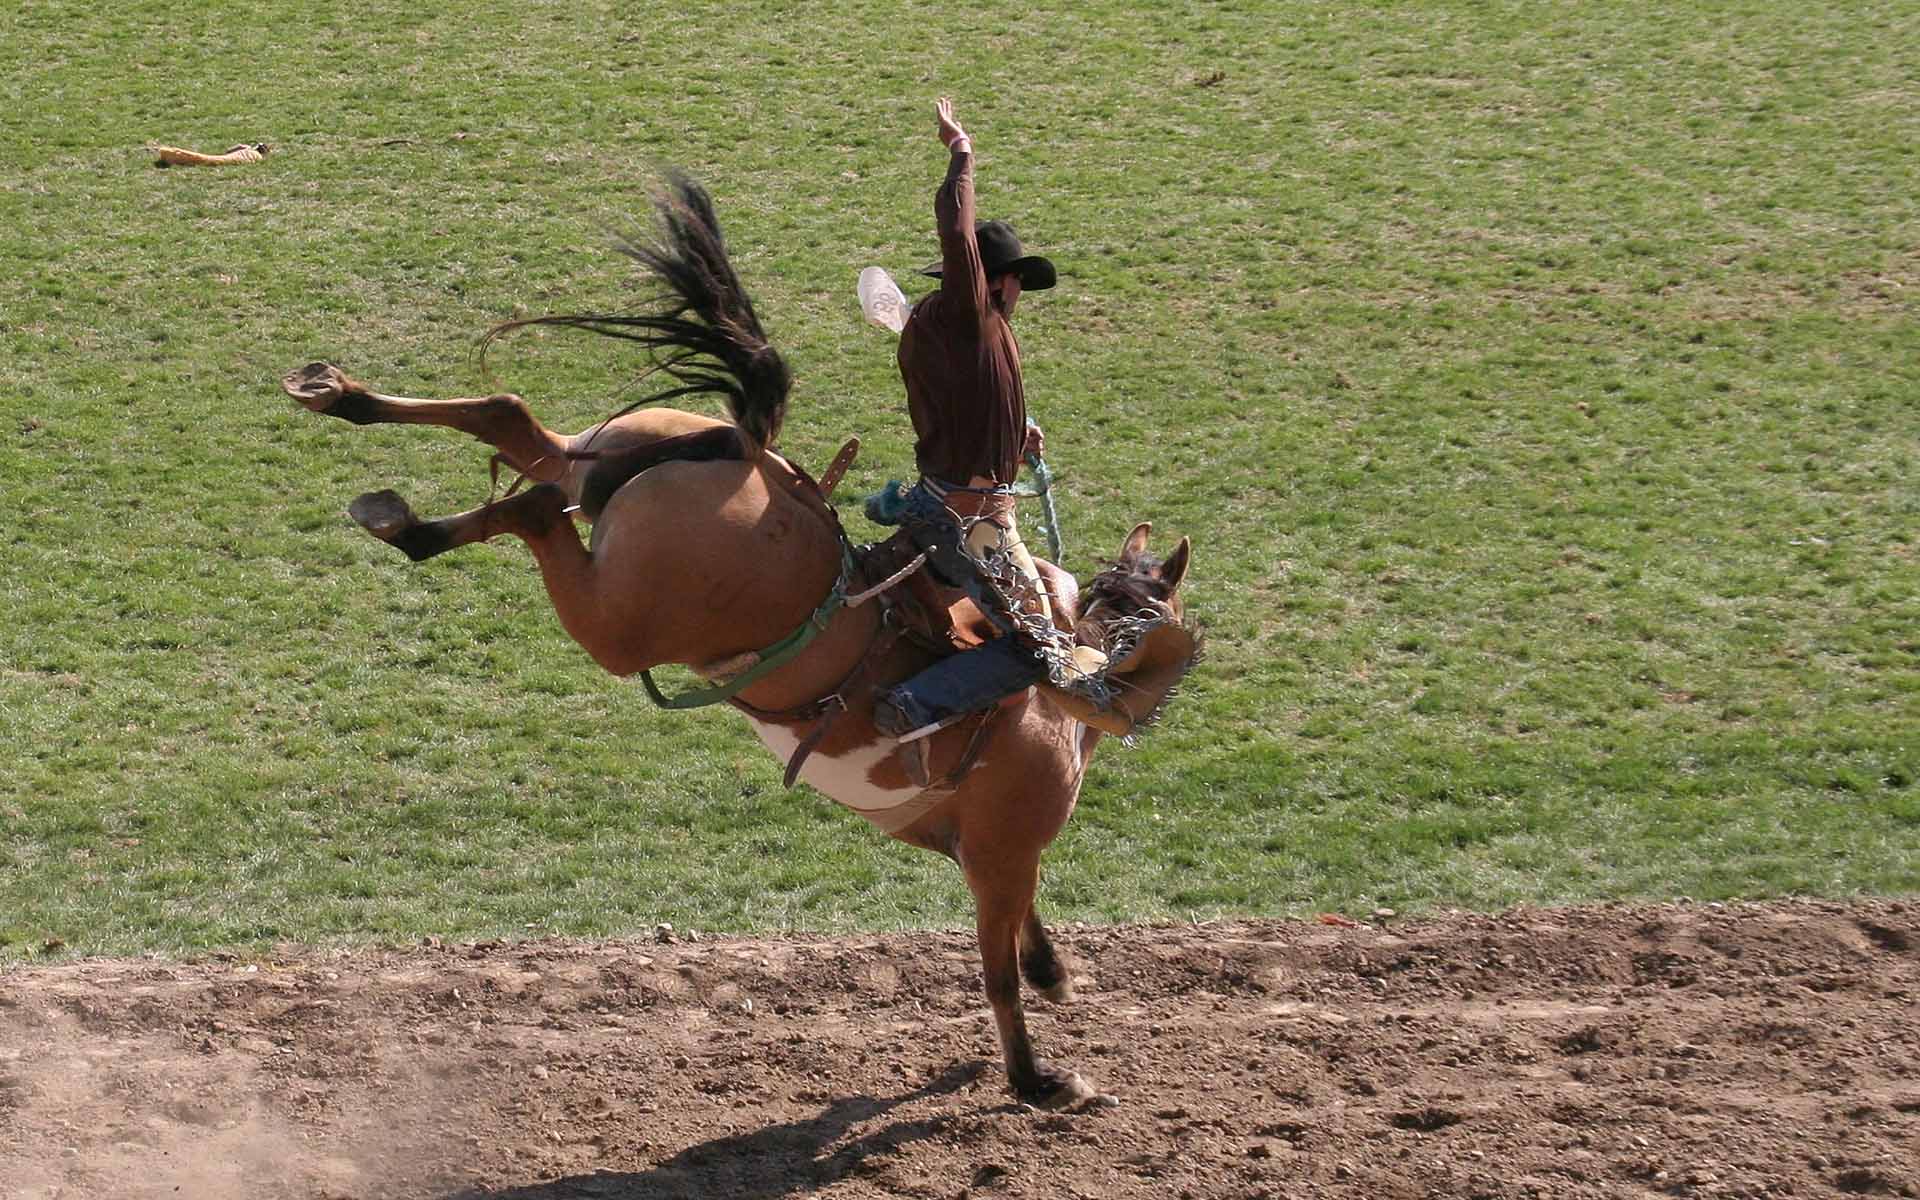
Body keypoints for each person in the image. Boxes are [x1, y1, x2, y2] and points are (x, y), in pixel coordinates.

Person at [872, 98, 1060, 740]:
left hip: (939, 501)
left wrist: (1013, 439)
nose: (1017, 299)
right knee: (1043, 650)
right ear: (996, 281)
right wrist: (961, 156)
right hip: (974, 521)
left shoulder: (944, 329)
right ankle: (915, 706)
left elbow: (968, 402)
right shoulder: (969, 316)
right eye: (1014, 285)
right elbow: (957, 235)